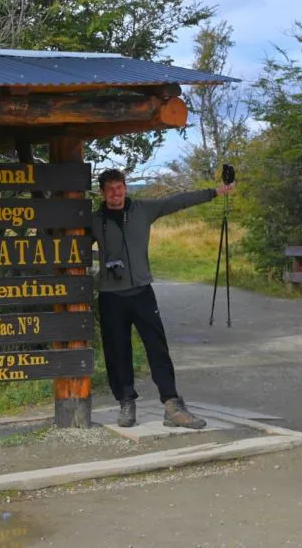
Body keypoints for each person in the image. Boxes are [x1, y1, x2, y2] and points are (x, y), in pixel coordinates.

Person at [91, 169, 234, 428]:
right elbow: (67, 241)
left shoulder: (143, 210)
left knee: (158, 349)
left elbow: (177, 201)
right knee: (117, 352)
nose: (116, 193)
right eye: (110, 188)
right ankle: (126, 403)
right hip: (111, 296)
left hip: (142, 292)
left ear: (126, 188)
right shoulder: (94, 220)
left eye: (120, 187)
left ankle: (172, 405)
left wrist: (215, 192)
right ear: (102, 192)